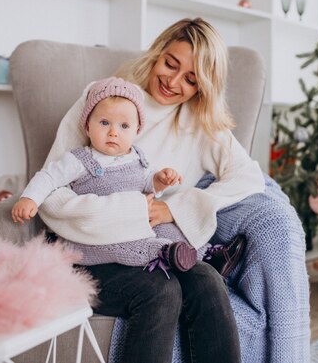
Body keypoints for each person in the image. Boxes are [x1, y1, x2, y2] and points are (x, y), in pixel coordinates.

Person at [35, 18, 265, 363]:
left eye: (190, 78)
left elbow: (249, 176)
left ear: (203, 87)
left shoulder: (199, 124)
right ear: (158, 52)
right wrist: (131, 212)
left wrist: (179, 208)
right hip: (87, 252)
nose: (173, 82)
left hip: (151, 248)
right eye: (170, 64)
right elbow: (50, 194)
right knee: (161, 290)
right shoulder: (105, 98)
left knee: (206, 280)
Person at [11, 77, 211, 274]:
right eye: (105, 123)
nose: (113, 132)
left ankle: (207, 253)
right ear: (88, 126)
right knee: (127, 246)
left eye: (124, 126)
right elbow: (48, 177)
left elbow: (146, 181)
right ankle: (164, 254)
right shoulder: (80, 160)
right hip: (100, 235)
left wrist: (158, 181)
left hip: (133, 223)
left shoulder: (137, 157)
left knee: (169, 230)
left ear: (136, 131)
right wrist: (30, 198)